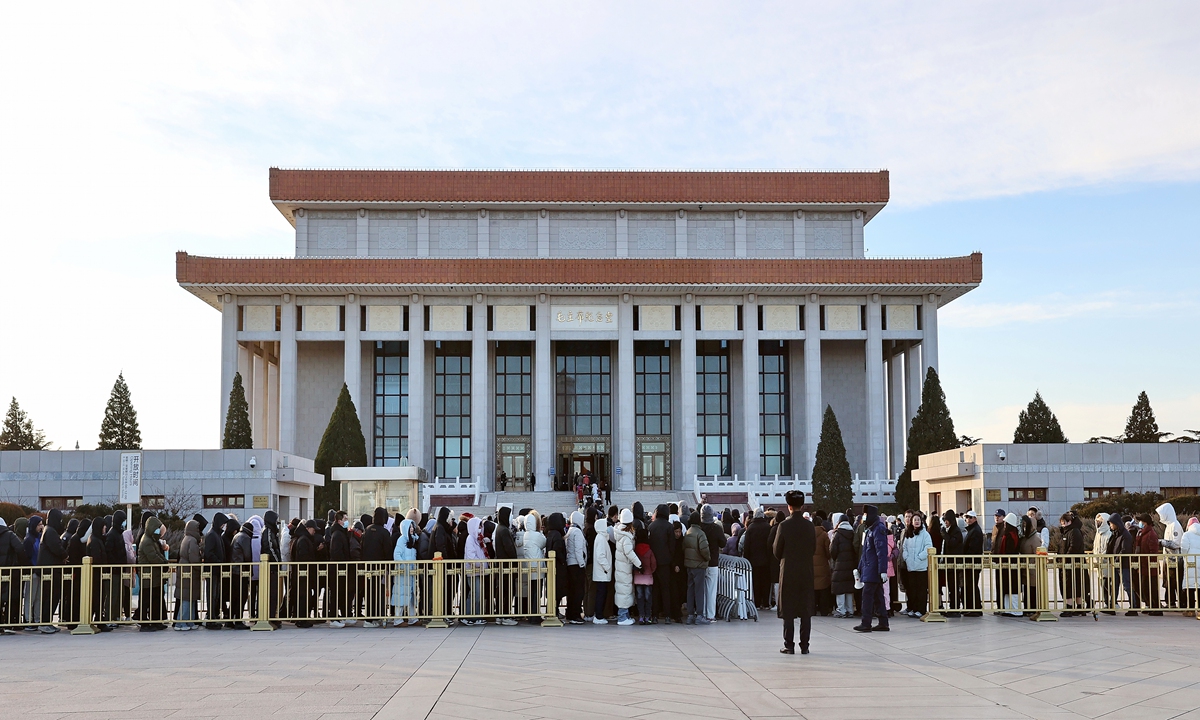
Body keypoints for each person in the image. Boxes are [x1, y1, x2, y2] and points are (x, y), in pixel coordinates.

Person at [773, 490, 815, 654]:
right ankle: (805, 645)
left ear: (788, 506)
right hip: (805, 570)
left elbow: (776, 550)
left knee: (788, 609)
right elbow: (813, 548)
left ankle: (789, 645)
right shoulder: (809, 526)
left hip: (789, 570)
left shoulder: (784, 525)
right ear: (802, 505)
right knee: (805, 609)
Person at [854, 505, 890, 633]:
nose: (864, 517)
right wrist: (859, 568)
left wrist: (883, 570)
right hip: (869, 568)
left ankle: (866, 622)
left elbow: (881, 551)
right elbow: (865, 552)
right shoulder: (869, 530)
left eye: (865, 514)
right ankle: (883, 622)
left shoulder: (878, 529)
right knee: (878, 596)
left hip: (873, 569)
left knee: (867, 596)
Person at [136, 516, 169, 631]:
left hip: (154, 576)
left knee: (155, 599)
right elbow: (153, 557)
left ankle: (156, 621)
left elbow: (158, 554)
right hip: (147, 576)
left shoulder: (152, 540)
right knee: (146, 599)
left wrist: (164, 562)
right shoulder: (146, 541)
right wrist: (164, 564)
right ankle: (144, 623)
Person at [1057, 511, 1090, 617]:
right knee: (1072, 584)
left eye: (1064, 522)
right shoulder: (1065, 532)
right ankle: (1078, 606)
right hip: (1067, 564)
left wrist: (1065, 558)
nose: (1062, 524)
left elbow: (1073, 547)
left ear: (1070, 521)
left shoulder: (1074, 532)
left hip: (1073, 564)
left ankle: (1071, 606)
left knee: (1073, 584)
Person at [648, 504, 676, 623]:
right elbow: (672, 546)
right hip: (665, 562)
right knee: (666, 589)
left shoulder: (651, 526)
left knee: (655, 589)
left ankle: (654, 615)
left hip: (653, 562)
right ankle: (667, 615)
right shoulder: (669, 527)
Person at [900, 513, 932, 618]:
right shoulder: (909, 534)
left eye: (918, 520)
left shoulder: (925, 534)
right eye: (915, 520)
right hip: (910, 566)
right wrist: (907, 558)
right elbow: (904, 547)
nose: (916, 521)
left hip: (921, 566)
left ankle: (921, 609)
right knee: (912, 589)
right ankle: (913, 608)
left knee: (921, 589)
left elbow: (928, 547)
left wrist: (920, 557)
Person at [612, 508, 640, 626]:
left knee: (623, 590)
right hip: (625, 567)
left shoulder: (619, 533)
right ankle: (622, 616)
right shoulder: (626, 536)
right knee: (624, 590)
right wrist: (639, 563)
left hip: (621, 566)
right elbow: (629, 553)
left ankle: (625, 614)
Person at [682, 511, 711, 625]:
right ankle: (699, 615)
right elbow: (705, 550)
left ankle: (690, 615)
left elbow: (684, 548)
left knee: (690, 590)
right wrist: (707, 558)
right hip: (699, 566)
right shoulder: (700, 533)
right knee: (699, 591)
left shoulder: (688, 532)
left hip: (689, 565)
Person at [0, 518, 28, 632]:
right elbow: (20, 548)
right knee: (11, 596)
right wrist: (23, 564)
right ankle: (10, 622)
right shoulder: (10, 535)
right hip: (9, 570)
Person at [741, 508, 772, 609]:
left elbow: (747, 545)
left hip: (753, 560)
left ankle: (757, 603)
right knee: (766, 582)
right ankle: (766, 603)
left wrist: (746, 559)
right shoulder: (768, 527)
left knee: (756, 582)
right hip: (766, 560)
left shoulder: (751, 528)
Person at [175, 519, 202, 631]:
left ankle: (189, 621)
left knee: (189, 597)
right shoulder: (192, 541)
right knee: (187, 598)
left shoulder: (186, 539)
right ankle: (181, 622)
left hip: (186, 571)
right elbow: (194, 559)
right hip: (189, 572)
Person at [1156, 502, 1184, 610]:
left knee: (1176, 582)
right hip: (1169, 559)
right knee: (1168, 582)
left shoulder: (1175, 526)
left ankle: (1181, 603)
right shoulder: (1169, 526)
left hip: (1175, 559)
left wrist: (1161, 542)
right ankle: (1170, 602)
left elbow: (1177, 543)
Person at [203, 512, 228, 629]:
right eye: (222, 524)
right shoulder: (212, 535)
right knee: (212, 595)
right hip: (213, 570)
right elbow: (208, 553)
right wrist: (219, 562)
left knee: (216, 594)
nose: (223, 526)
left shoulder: (216, 534)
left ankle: (213, 616)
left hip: (216, 570)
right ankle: (211, 618)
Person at [1133, 513, 1162, 616]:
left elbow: (1153, 552)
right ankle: (1150, 605)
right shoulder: (1142, 533)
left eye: (1142, 521)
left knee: (1151, 587)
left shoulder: (1151, 534)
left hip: (1149, 566)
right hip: (1143, 565)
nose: (1140, 523)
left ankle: (1156, 607)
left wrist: (1151, 565)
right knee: (1144, 587)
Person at [699, 505, 724, 621]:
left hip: (700, 562)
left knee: (701, 589)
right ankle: (710, 614)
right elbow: (723, 543)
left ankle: (702, 612)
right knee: (712, 590)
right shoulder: (717, 528)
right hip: (713, 562)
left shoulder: (698, 528)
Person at [829, 514, 856, 618]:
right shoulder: (852, 533)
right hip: (851, 564)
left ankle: (841, 610)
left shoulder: (837, 533)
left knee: (839, 587)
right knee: (849, 587)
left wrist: (836, 559)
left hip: (840, 564)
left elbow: (832, 550)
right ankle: (850, 609)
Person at [995, 513, 1021, 616]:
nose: (1004, 524)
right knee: (1006, 587)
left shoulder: (1010, 535)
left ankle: (1015, 609)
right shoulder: (1011, 534)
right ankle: (1008, 609)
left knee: (1012, 587)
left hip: (1010, 564)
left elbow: (1009, 550)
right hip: (1007, 564)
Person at [564, 511, 588, 624]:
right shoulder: (577, 532)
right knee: (578, 591)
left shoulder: (570, 530)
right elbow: (579, 550)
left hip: (570, 563)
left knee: (572, 591)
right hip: (577, 565)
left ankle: (570, 612)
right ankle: (575, 615)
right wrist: (582, 564)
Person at [961, 510, 984, 616]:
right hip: (970, 563)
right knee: (970, 585)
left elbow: (973, 549)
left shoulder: (975, 531)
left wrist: (966, 558)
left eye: (970, 517)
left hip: (973, 563)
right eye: (967, 517)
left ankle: (975, 608)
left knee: (972, 585)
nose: (968, 519)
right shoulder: (972, 530)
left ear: (975, 519)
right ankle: (970, 607)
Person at [633, 523, 656, 624]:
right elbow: (653, 564)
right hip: (647, 577)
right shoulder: (649, 550)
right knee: (648, 597)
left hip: (638, 577)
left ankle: (641, 616)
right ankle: (648, 616)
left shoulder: (635, 550)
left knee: (639, 597)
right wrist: (651, 571)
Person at [591, 516, 613, 624]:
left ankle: (599, 615)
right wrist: (607, 567)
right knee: (601, 594)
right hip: (602, 572)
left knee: (601, 593)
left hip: (602, 572)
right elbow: (601, 556)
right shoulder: (600, 538)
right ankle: (598, 616)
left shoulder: (601, 538)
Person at [1093, 512, 1114, 614]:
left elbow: (1108, 549)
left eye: (1100, 521)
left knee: (1108, 584)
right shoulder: (1097, 534)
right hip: (1099, 565)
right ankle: (1106, 603)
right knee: (1102, 584)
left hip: (1106, 564)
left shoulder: (1109, 534)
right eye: (1097, 521)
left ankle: (1111, 604)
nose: (1098, 523)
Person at [1181, 517, 1200, 616]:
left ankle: (1190, 610)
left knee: (1190, 586)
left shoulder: (1187, 535)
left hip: (1190, 563)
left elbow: (1184, 549)